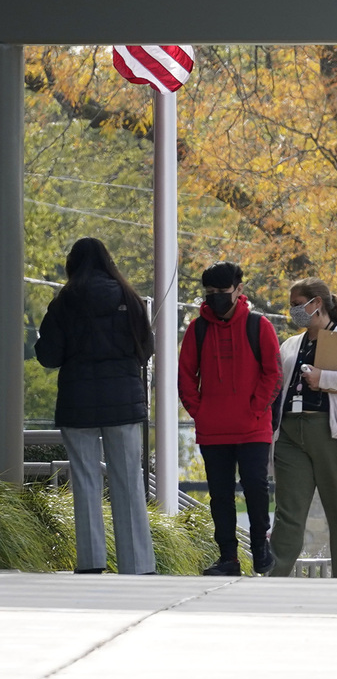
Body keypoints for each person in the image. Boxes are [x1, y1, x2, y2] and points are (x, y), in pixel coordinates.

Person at [34, 237, 156, 575]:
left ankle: (91, 563)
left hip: (78, 403)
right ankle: (138, 565)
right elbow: (146, 348)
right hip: (124, 403)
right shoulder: (129, 298)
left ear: (72, 264)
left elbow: (48, 356)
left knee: (86, 480)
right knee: (129, 480)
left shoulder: (64, 302)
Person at [268, 278, 337, 578]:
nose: (294, 311)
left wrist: (324, 378)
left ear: (316, 303)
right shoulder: (291, 344)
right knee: (288, 513)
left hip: (332, 433)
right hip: (290, 433)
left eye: (297, 304)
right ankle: (274, 578)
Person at [178, 262, 283, 576]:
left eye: (222, 292)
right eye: (210, 293)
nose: (216, 298)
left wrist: (255, 408)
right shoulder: (198, 329)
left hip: (253, 427)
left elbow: (273, 373)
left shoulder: (258, 325)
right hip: (214, 429)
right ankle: (228, 559)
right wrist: (201, 411)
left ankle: (260, 552)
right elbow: (185, 376)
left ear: (239, 290)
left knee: (256, 487)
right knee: (220, 495)